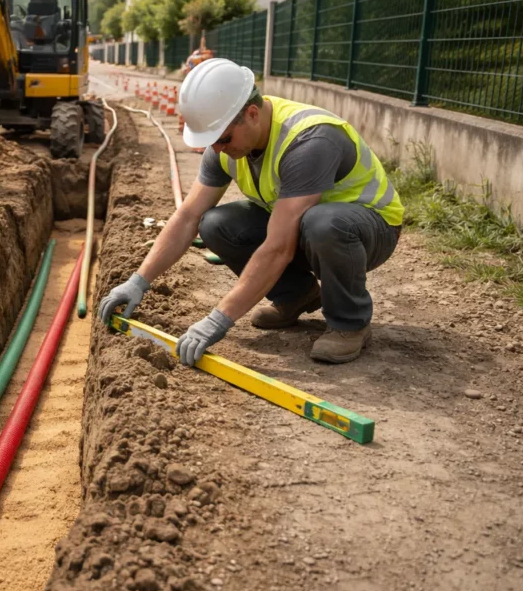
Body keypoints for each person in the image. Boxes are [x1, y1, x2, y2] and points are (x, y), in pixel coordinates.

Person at [98, 58, 404, 365]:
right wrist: (138, 281)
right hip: (304, 227)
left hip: (367, 228)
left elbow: (278, 248)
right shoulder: (225, 144)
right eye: (211, 141)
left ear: (252, 114)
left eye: (223, 139)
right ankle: (296, 295)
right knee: (215, 223)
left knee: (323, 223)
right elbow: (188, 216)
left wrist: (218, 319)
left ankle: (349, 323)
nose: (217, 149)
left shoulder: (309, 140)